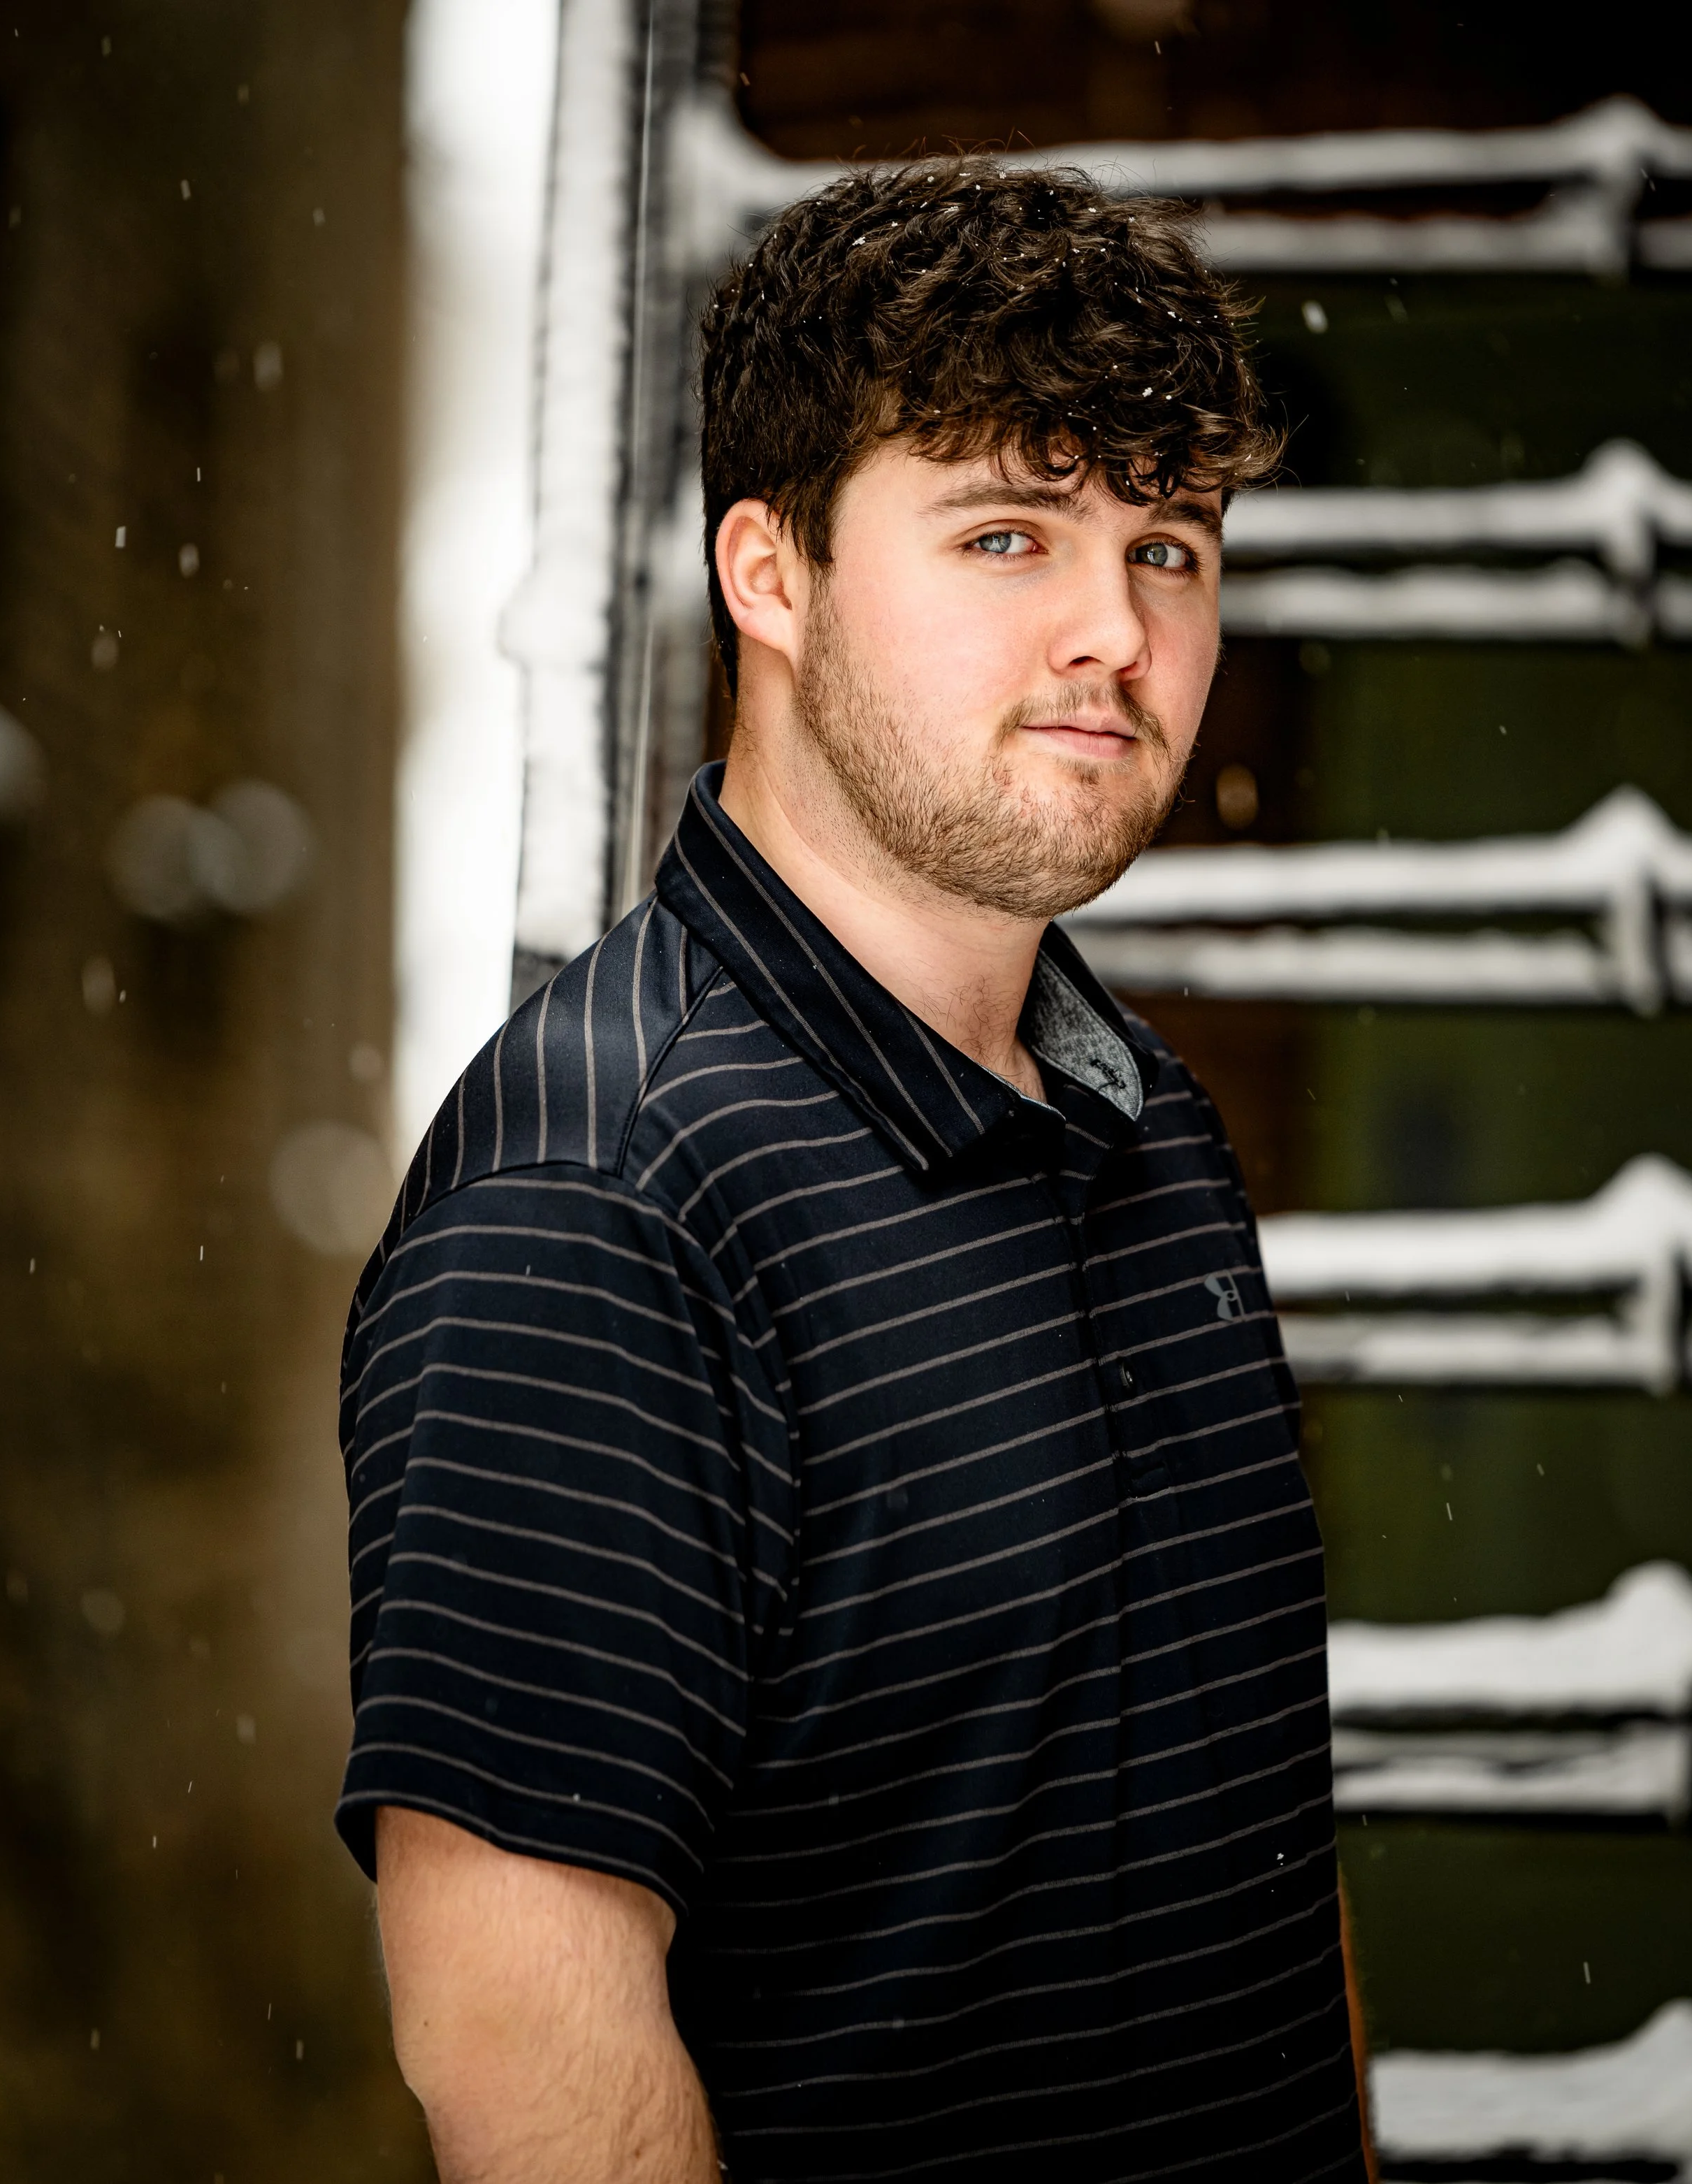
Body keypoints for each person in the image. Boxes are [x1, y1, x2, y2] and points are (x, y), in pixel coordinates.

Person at [338, 157, 1373, 2183]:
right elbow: (527, 2068)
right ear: (770, 574)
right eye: (1008, 533)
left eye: (1169, 548)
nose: (1115, 632)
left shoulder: (1146, 1121)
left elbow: (1256, 1842)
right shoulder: (601, 1204)